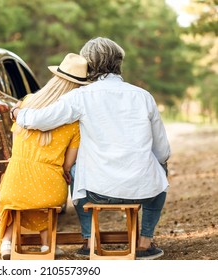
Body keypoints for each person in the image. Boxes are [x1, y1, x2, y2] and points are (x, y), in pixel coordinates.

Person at [11, 37, 171, 260]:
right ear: (119, 63)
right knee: (161, 170)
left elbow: (40, 119)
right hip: (143, 191)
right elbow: (162, 151)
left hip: (97, 192)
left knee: (74, 169)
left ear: (89, 66)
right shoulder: (144, 97)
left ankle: (89, 241)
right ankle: (145, 243)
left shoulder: (79, 97)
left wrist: (17, 113)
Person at [0, 53, 90, 260]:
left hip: (16, 183)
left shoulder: (26, 104)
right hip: (50, 187)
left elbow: (16, 139)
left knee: (19, 196)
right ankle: (47, 245)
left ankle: (7, 243)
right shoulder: (73, 121)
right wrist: (65, 172)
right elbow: (68, 163)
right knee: (44, 195)